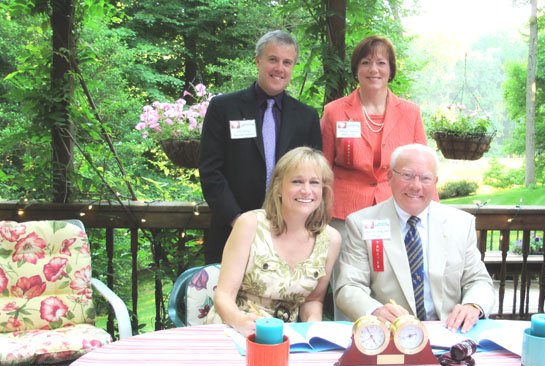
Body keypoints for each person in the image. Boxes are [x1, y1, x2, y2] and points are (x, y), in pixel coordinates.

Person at [320, 35, 427, 318]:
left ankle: (398, 339)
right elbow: (322, 168)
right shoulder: (334, 112)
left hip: (394, 211)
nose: (374, 69)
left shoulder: (411, 113)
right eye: (366, 62)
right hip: (344, 212)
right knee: (347, 283)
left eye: (381, 62)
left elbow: (423, 166)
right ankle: (347, 342)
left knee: (389, 277)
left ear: (391, 69)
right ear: (356, 68)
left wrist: (432, 213)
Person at [335, 144, 494, 333]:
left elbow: (478, 280)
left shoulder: (460, 224)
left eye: (425, 178)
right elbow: (349, 286)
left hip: (449, 331)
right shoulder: (362, 223)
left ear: (435, 182)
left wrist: (473, 306)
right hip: (389, 333)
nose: (416, 186)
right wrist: (374, 311)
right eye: (407, 175)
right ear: (390, 177)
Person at [199, 30, 322, 264]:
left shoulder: (306, 117)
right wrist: (238, 220)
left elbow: (314, 176)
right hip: (231, 228)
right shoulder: (224, 107)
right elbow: (210, 170)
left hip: (288, 233)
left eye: (287, 62)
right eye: (273, 59)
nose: (280, 68)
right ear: (258, 61)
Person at [205, 147, 341, 337]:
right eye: (297, 181)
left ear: (323, 190)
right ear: (278, 187)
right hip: (234, 331)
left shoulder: (330, 239)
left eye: (314, 182)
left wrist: (313, 327)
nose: (306, 190)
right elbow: (224, 296)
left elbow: (313, 300)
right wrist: (240, 322)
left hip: (285, 338)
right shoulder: (249, 224)